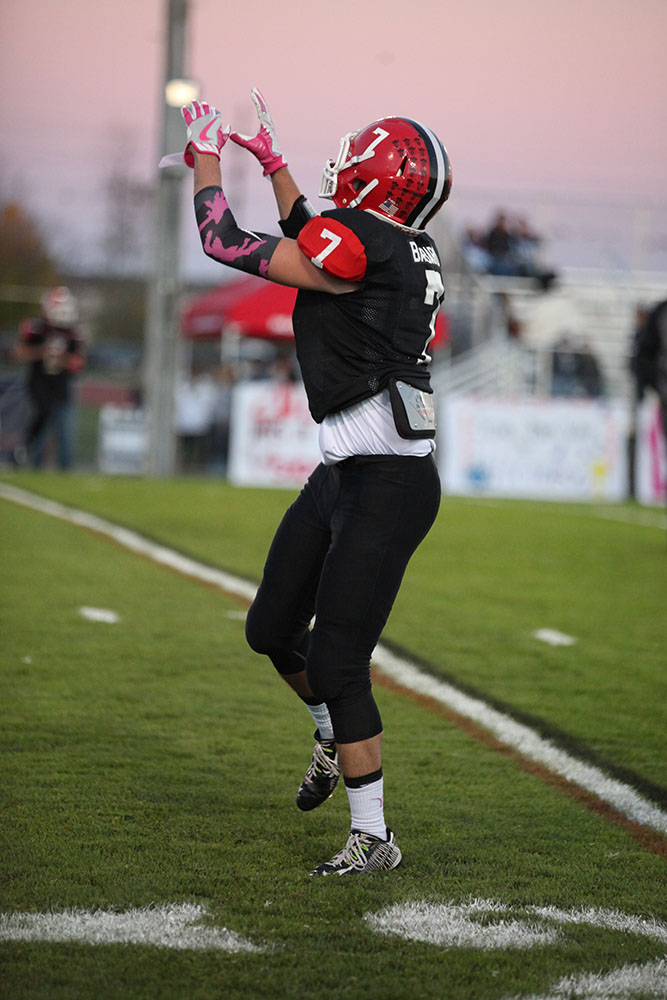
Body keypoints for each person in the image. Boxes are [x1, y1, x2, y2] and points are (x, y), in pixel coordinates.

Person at [172, 90, 450, 876]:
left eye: (358, 153)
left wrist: (206, 156)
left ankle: (374, 836)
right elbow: (314, 233)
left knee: (336, 660)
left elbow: (225, 243)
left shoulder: (362, 247)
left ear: (377, 173)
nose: (345, 162)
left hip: (386, 485)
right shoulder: (396, 243)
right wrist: (272, 161)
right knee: (270, 630)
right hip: (346, 473)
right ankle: (329, 732)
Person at [14, 286, 85, 469]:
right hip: (38, 386)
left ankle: (65, 469)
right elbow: (19, 353)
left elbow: (78, 364)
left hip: (61, 387)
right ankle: (32, 465)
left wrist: (60, 358)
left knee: (64, 432)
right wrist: (43, 352)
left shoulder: (72, 333)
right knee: (41, 426)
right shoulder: (37, 329)